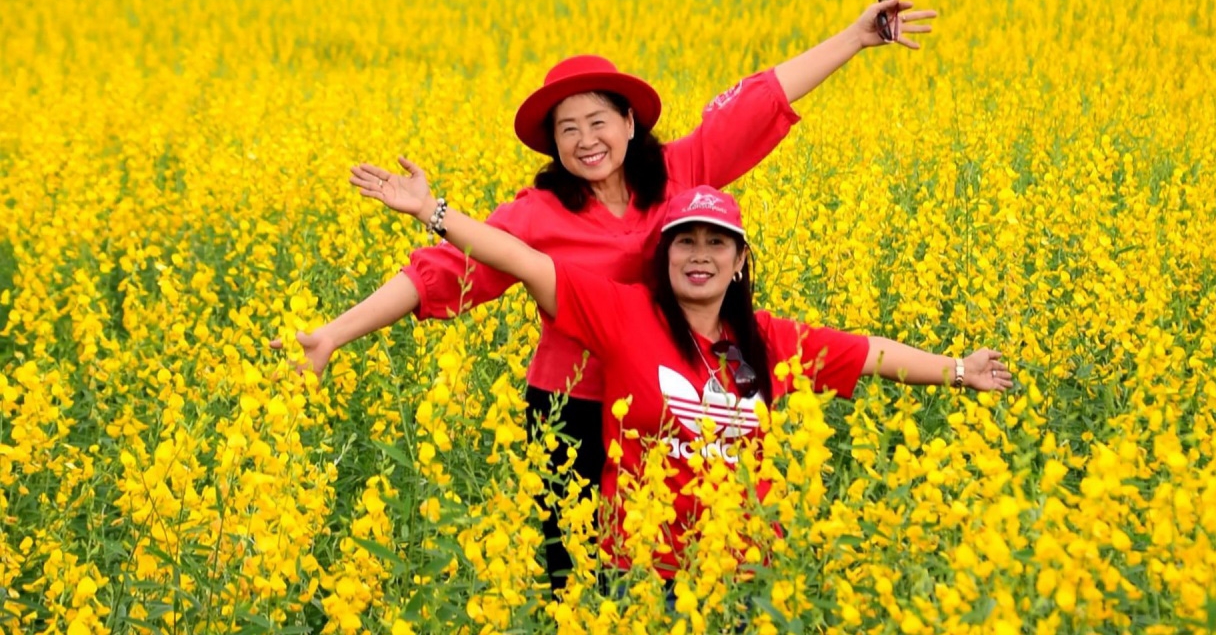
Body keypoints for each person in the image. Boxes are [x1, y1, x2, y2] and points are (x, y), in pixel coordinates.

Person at [278, 0, 939, 591]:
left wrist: (856, 38)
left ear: (630, 123)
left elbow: (758, 103)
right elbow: (442, 271)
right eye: (568, 130)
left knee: (687, 561)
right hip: (575, 411)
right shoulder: (537, 213)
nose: (586, 141)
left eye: (598, 122)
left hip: (668, 407)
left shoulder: (683, 173)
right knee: (576, 574)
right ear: (553, 146)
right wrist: (333, 334)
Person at [353, 167, 1014, 587]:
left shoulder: (771, 340)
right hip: (635, 566)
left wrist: (959, 371)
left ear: (740, 260)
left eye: (715, 243)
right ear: (663, 255)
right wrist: (432, 213)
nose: (700, 256)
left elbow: (869, 355)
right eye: (685, 242)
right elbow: (524, 261)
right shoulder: (621, 314)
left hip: (744, 567)